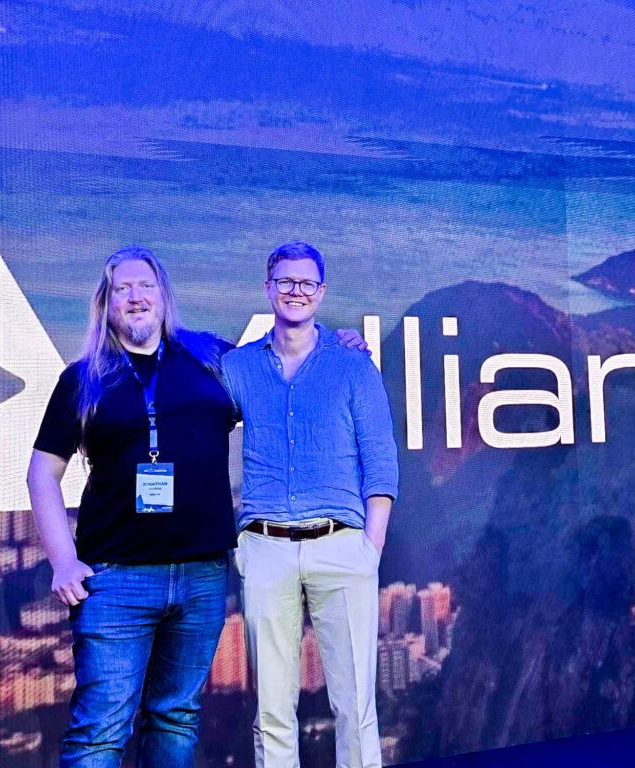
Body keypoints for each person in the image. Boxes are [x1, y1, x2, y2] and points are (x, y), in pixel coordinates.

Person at [27, 245, 368, 767]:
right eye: (123, 288)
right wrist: (62, 560)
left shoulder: (211, 359)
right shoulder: (83, 378)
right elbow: (43, 472)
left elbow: (283, 366)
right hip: (115, 579)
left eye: (146, 285)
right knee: (100, 730)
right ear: (106, 302)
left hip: (202, 576)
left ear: (164, 296)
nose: (136, 297)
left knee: (177, 719)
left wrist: (337, 347)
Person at [222, 241, 399, 768]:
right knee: (272, 711)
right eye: (285, 281)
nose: (295, 291)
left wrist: (370, 548)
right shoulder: (237, 368)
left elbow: (381, 460)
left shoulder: (353, 366)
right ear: (268, 288)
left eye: (306, 283)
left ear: (321, 293)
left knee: (355, 708)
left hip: (343, 547)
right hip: (265, 548)